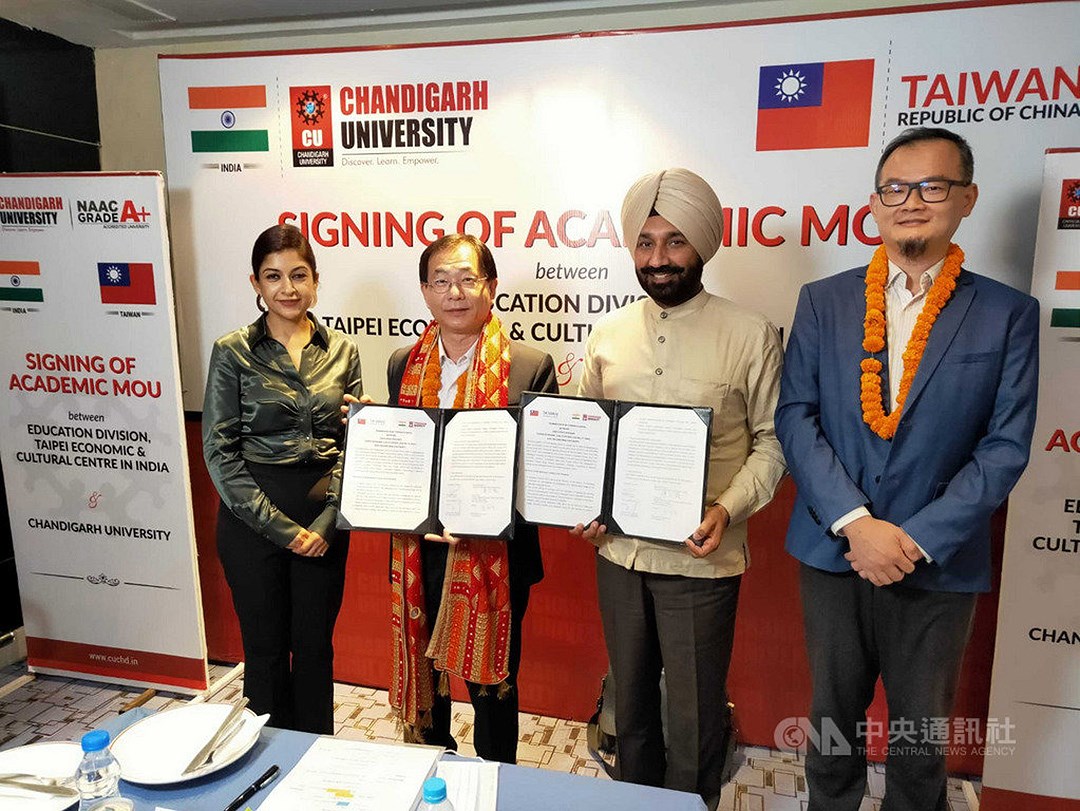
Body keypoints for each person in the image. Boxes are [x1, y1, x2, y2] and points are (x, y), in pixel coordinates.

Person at [775, 127, 1039, 811]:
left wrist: (914, 538)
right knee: (832, 720)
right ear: (874, 202)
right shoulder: (823, 301)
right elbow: (795, 417)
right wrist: (856, 523)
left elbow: (1005, 447)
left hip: (938, 563)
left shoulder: (1008, 314)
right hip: (835, 552)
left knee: (921, 736)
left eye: (932, 186)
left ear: (966, 198)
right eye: (895, 188)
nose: (911, 201)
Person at [573, 168, 786, 804]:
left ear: (703, 244)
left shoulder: (750, 333)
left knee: (694, 718)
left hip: (701, 559)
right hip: (619, 554)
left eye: (674, 241)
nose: (658, 258)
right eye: (645, 243)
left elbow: (774, 442)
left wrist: (727, 508)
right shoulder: (609, 334)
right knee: (631, 708)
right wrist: (584, 504)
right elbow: (585, 437)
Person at [387, 233, 558, 763]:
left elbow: (541, 471)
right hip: (420, 550)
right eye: (441, 281)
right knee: (429, 677)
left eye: (467, 279)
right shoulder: (401, 363)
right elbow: (404, 458)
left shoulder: (529, 365)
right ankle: (431, 766)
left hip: (494, 555)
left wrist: (482, 516)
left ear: (491, 287)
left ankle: (496, 778)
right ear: (425, 291)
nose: (454, 293)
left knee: (493, 688)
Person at [203, 224, 362, 734]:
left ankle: (315, 756)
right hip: (251, 523)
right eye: (273, 276)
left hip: (324, 523)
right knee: (265, 651)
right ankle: (264, 760)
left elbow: (354, 445)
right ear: (256, 283)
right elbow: (220, 452)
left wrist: (328, 521)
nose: (287, 288)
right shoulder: (233, 351)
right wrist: (283, 530)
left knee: (315, 649)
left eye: (299, 275)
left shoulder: (343, 350)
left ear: (315, 280)